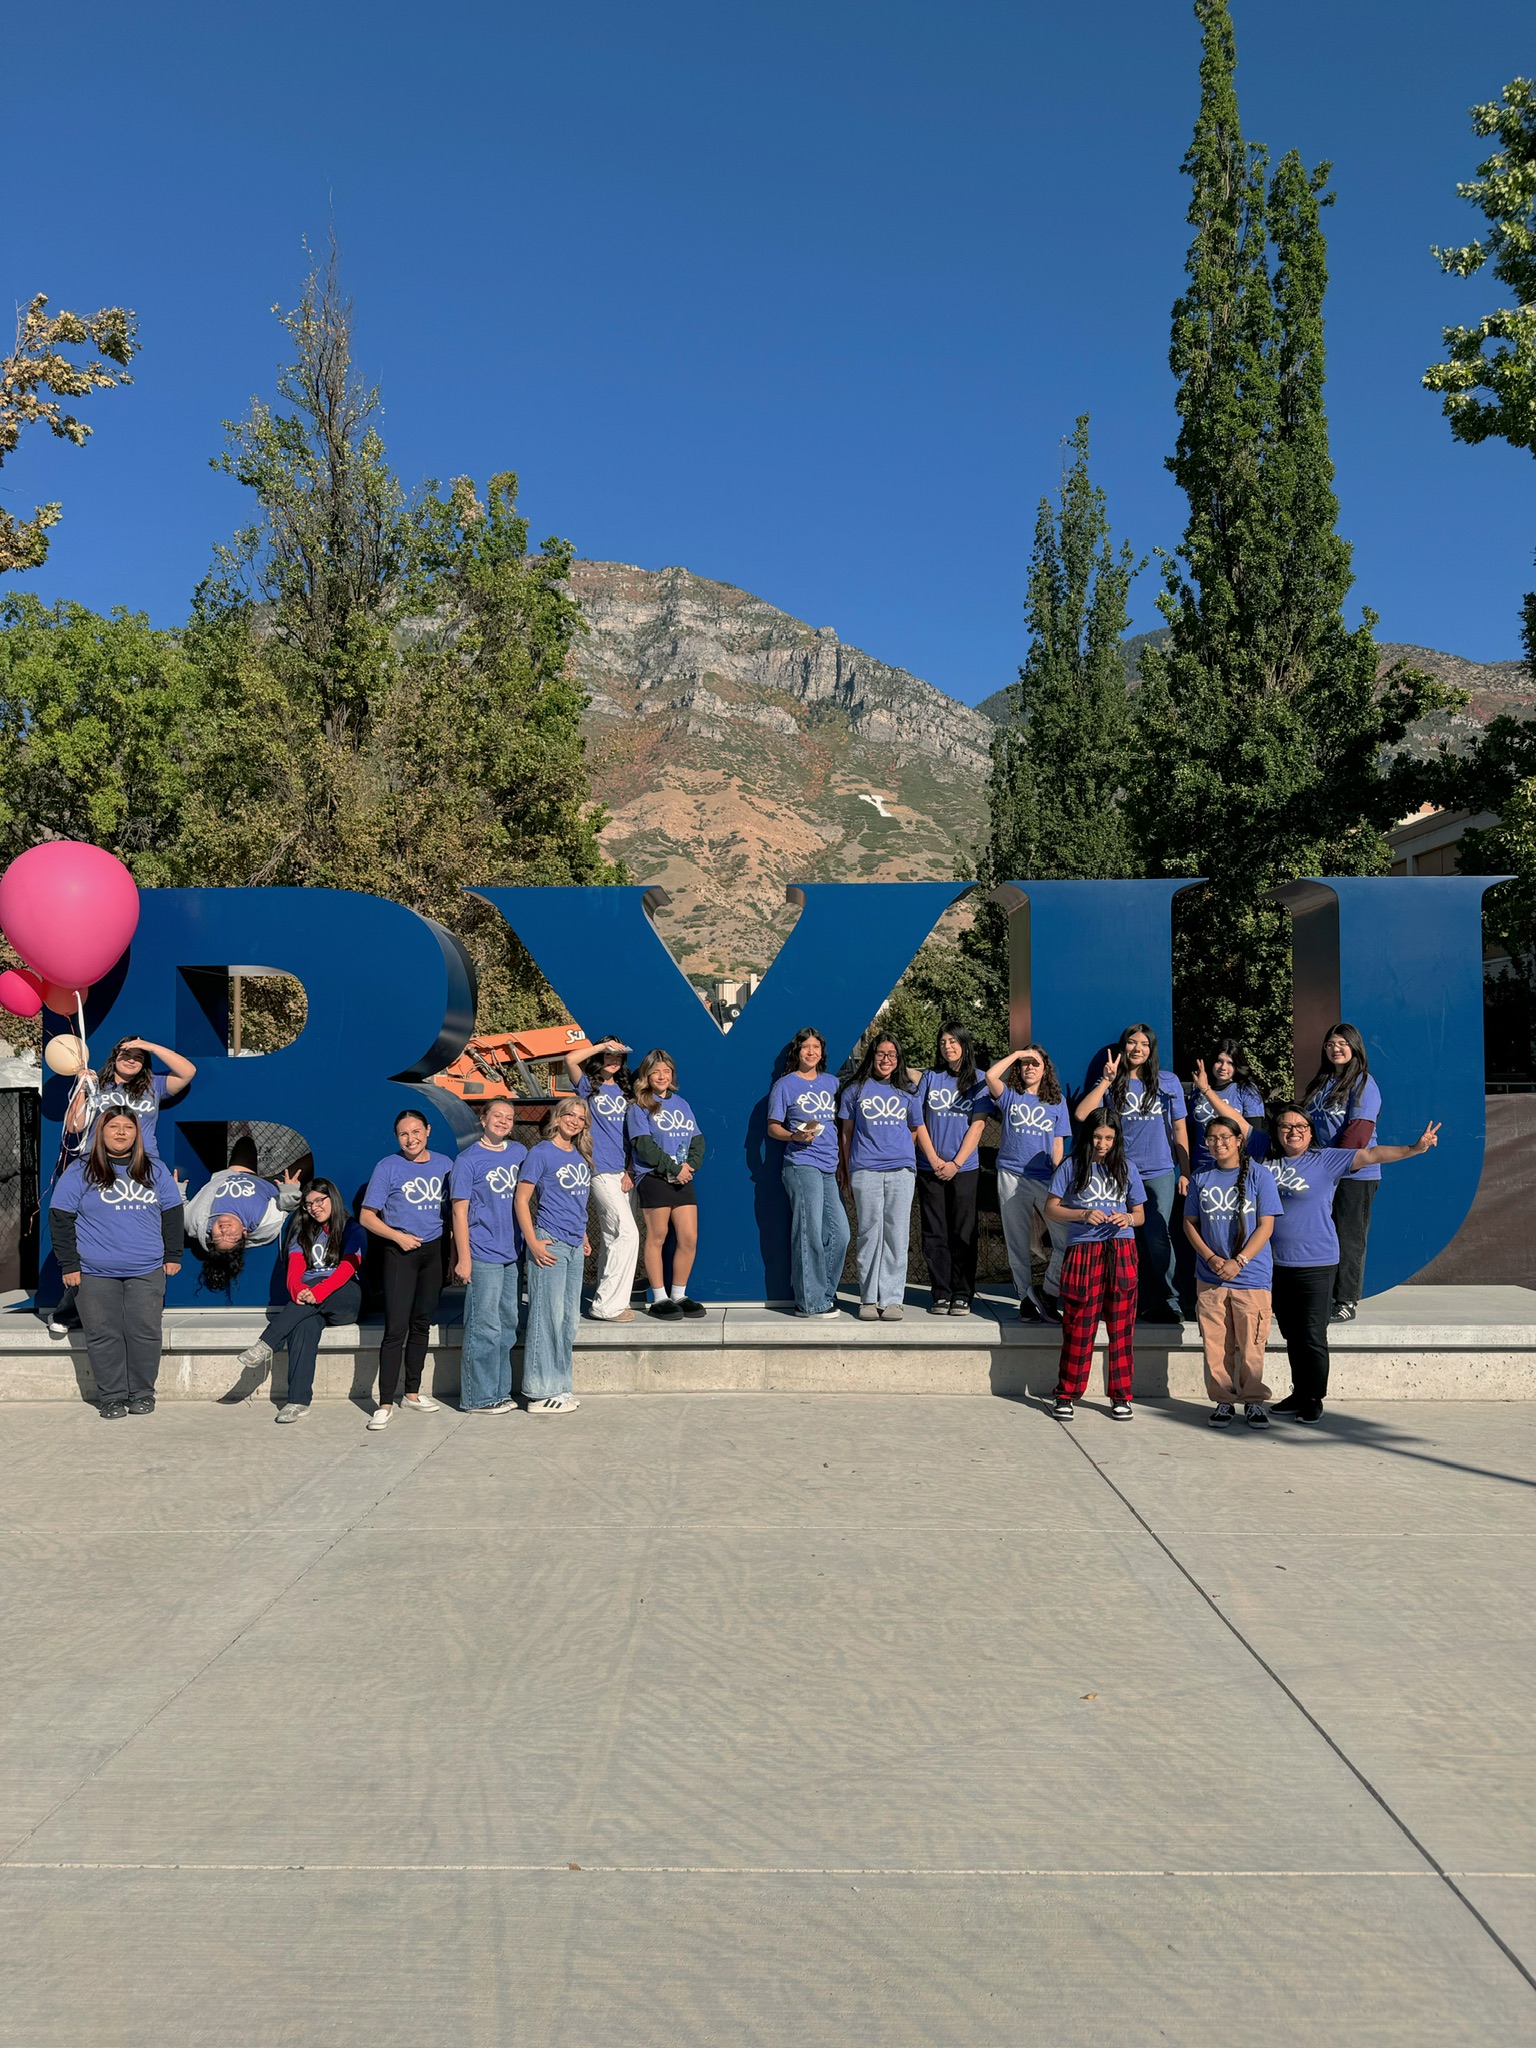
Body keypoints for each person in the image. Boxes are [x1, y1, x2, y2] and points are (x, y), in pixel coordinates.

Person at [1266, 1103, 1441, 1422]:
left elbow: (1373, 1155)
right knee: (1291, 1332)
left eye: (1301, 1126)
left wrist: (1415, 1149)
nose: (1293, 1132)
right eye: (1286, 1126)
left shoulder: (1327, 1159)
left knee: (1313, 1333)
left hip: (1316, 1262)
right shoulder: (1265, 1163)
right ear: (1277, 1132)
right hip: (1277, 1263)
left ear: (1310, 1132)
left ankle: (1313, 1397)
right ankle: (1298, 1391)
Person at [49, 1110, 183, 1419]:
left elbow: (173, 1213)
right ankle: (111, 1396)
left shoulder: (155, 1169)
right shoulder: (80, 1170)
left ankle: (142, 1393)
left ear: (137, 1134)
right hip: (94, 1272)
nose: (121, 1133)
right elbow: (60, 1218)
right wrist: (69, 1264)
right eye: (114, 1127)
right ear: (101, 1131)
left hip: (147, 1269)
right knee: (102, 1333)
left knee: (146, 1331)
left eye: (128, 1127)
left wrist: (173, 1255)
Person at [1076, 1023, 1188, 1324]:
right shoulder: (1112, 1082)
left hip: (1159, 1171)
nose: (1137, 1048)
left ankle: (1168, 1299)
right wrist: (1105, 1082)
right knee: (1124, 1236)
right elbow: (1082, 1115)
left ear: (1152, 1050)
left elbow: (1179, 1128)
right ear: (1124, 1046)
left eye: (1144, 1044)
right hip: (1119, 1172)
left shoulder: (1168, 1082)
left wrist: (1184, 1171)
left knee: (1157, 1235)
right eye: (1131, 1042)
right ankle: (1127, 1299)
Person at [1043, 1108, 1146, 1421]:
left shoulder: (1126, 1167)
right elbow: (1051, 1208)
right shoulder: (1072, 1165)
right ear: (1088, 1136)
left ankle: (1121, 1396)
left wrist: (1127, 1218)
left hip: (1122, 1248)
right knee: (1078, 1325)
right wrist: (1083, 1214)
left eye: (1109, 1138)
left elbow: (1140, 1215)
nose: (1103, 1143)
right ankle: (1066, 1393)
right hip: (1083, 1251)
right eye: (1098, 1137)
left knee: (1122, 1327)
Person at [235, 1180, 368, 1421]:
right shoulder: (301, 1232)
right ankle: (297, 1401)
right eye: (309, 1204)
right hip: (309, 1300)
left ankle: (266, 1344)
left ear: (333, 1199)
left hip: (345, 1297)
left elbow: (349, 1267)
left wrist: (319, 1291)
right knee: (303, 1327)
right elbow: (295, 1270)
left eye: (320, 1200)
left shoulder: (352, 1229)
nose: (314, 1207)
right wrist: (298, 1290)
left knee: (316, 1293)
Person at [1182, 1115, 1283, 1429]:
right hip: (1210, 1278)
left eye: (1225, 1137)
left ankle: (1253, 1401)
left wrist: (1237, 1261)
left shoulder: (1259, 1175)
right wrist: (1212, 1258)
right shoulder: (1201, 1177)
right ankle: (1223, 1401)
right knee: (1216, 1343)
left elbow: (1266, 1226)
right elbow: (1190, 1224)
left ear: (1239, 1140)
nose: (1218, 1143)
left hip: (1251, 1277)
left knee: (1252, 1344)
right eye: (1211, 1138)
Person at [360, 1108, 452, 1430]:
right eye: (403, 1134)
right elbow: (367, 1216)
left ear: (427, 1131)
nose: (410, 1139)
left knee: (422, 1323)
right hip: (400, 1253)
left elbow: (455, 1210)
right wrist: (398, 1237)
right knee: (395, 1328)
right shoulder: (388, 1167)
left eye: (416, 1132)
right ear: (396, 1137)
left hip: (434, 1252)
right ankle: (385, 1402)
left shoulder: (445, 1165)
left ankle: (412, 1392)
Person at [514, 1096, 594, 1412]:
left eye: (580, 1117)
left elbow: (576, 1203)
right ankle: (538, 1392)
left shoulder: (578, 1154)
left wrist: (584, 1235)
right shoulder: (540, 1153)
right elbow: (522, 1200)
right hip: (550, 1242)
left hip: (575, 1246)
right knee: (545, 1317)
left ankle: (559, 1387)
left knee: (567, 1319)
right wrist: (532, 1241)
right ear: (558, 1117)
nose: (575, 1121)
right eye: (569, 1115)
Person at [450, 1097, 528, 1413]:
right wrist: (464, 1258)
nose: (503, 1121)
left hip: (513, 1252)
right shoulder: (467, 1161)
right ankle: (477, 1397)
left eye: (509, 1117)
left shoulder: (520, 1154)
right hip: (483, 1253)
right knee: (484, 1326)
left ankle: (499, 1391)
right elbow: (459, 1211)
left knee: (508, 1324)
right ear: (483, 1119)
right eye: (497, 1115)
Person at [984, 1044, 1071, 1322]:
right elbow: (990, 1077)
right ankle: (1025, 1299)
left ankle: (1046, 1292)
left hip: (1045, 1180)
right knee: (1017, 1242)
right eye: (1025, 1064)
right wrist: (1015, 1055)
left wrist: (1060, 1180)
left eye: (1036, 1063)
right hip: (1011, 1176)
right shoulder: (1011, 1096)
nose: (1030, 1067)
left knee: (1066, 1240)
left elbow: (1058, 1146)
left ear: (1046, 1069)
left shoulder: (1057, 1102)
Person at [837, 1033, 922, 1320]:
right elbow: (846, 1134)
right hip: (865, 1170)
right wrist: (847, 1169)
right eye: (881, 1054)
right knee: (869, 1233)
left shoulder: (909, 1091)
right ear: (871, 1057)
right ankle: (868, 1299)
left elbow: (914, 1130)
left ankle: (893, 1298)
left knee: (897, 1234)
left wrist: (899, 1154)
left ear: (899, 1059)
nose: (886, 1060)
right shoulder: (854, 1090)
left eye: (892, 1055)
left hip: (901, 1171)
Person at [768, 1026, 850, 1319]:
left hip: (829, 1167)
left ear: (822, 1053)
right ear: (797, 1052)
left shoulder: (832, 1083)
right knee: (809, 1233)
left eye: (816, 1047)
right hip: (801, 1165)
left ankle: (824, 1293)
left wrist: (843, 1164)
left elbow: (843, 1127)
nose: (811, 1052)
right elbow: (773, 1127)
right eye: (806, 1047)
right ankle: (809, 1302)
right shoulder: (785, 1085)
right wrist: (793, 1136)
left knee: (840, 1234)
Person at [1302, 1023, 1382, 1322]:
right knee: (1323, 1236)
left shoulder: (1363, 1083)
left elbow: (1358, 1134)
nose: (1336, 1049)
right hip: (1324, 1173)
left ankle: (1346, 1300)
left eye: (1342, 1043)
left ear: (1354, 1047)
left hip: (1354, 1175)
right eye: (1330, 1044)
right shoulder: (1321, 1082)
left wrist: (1328, 1164)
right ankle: (1323, 1296)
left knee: (1348, 1237)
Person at [914, 1022, 989, 1317]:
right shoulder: (930, 1078)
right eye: (943, 1041)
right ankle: (941, 1292)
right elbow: (918, 1121)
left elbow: (979, 1123)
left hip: (965, 1168)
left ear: (964, 1043)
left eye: (953, 1041)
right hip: (929, 1167)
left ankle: (962, 1293)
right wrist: (933, 1160)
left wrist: (956, 1163)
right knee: (935, 1232)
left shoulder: (979, 1079)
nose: (948, 1046)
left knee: (963, 1232)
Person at [626, 1049, 707, 1319]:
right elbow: (643, 1146)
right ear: (646, 1075)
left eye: (666, 1071)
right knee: (658, 1236)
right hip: (654, 1177)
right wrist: (673, 1169)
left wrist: (689, 1166)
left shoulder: (682, 1103)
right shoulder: (639, 1106)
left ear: (672, 1074)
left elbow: (697, 1138)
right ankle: (659, 1297)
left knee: (688, 1237)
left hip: (682, 1177)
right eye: (655, 1072)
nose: (661, 1076)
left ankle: (678, 1294)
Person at [564, 1036, 641, 1322]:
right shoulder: (587, 1085)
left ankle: (607, 1299)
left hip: (624, 1172)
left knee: (613, 1237)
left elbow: (633, 1134)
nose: (613, 1060)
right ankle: (607, 1306)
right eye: (609, 1055)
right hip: (599, 1170)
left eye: (618, 1056)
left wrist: (630, 1170)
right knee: (627, 1234)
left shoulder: (626, 1090)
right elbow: (570, 1060)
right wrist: (602, 1046)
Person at [64, 1035, 196, 1159]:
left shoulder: (154, 1085)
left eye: (139, 1057)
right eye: (126, 1055)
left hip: (141, 1163)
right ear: (115, 1058)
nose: (131, 1061)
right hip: (99, 1162)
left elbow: (188, 1072)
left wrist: (151, 1047)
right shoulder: (96, 1085)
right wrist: (81, 1087)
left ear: (144, 1063)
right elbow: (74, 1127)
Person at [183, 1162, 303, 1291]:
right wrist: (289, 1191)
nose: (224, 1230)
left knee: (245, 1141)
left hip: (237, 1171)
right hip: (274, 1185)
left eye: (218, 1236)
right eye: (230, 1236)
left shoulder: (197, 1221)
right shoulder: (259, 1222)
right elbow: (285, 1209)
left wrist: (177, 1190)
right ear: (244, 1232)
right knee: (307, 1163)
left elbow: (182, 1209)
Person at [1187, 1041, 1268, 1170]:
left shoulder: (1246, 1089)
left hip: (1234, 1166)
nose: (1223, 1067)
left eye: (1230, 1063)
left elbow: (1254, 1134)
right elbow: (1190, 1133)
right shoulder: (1198, 1091)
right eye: (1219, 1061)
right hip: (1201, 1165)